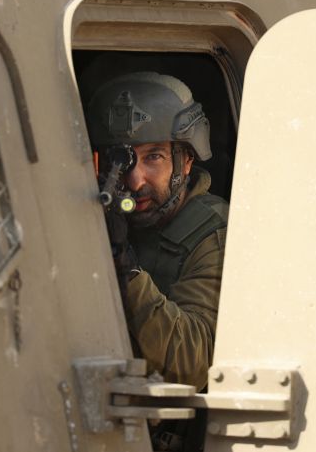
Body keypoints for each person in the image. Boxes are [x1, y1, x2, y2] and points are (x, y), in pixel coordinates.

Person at [87, 71, 228, 394]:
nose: (135, 181)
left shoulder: (213, 233)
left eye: (154, 156)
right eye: (121, 161)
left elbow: (191, 365)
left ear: (186, 161)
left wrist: (126, 268)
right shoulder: (92, 214)